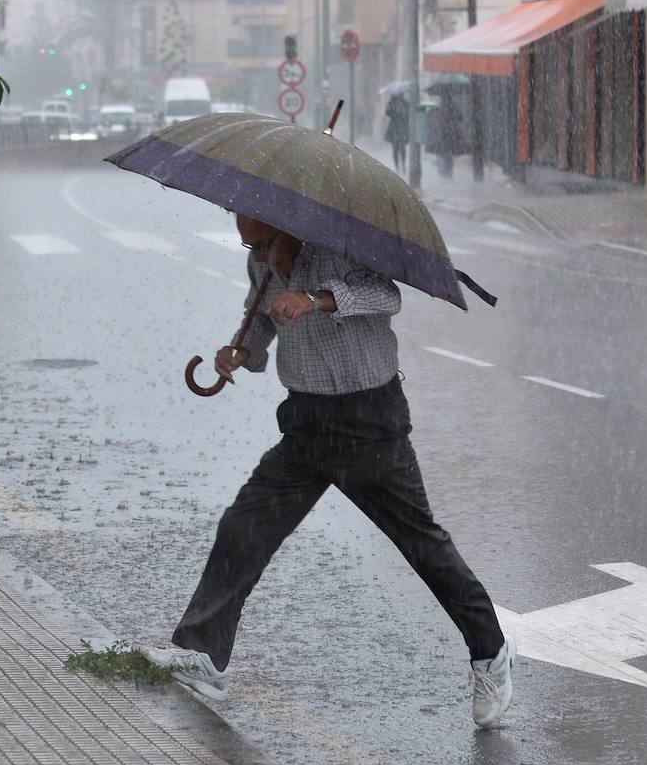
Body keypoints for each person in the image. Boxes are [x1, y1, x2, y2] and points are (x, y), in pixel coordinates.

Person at [141, 214, 515, 729]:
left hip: (369, 425)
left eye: (264, 243)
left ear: (288, 230)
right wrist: (241, 351)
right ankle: (202, 653)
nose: (256, 255)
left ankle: (491, 653)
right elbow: (265, 319)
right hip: (306, 426)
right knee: (244, 528)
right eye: (248, 245)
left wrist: (318, 298)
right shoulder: (265, 268)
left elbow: (386, 297)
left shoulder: (341, 247)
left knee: (422, 546)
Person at [384, 92, 409, 175]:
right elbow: (387, 112)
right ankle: (397, 166)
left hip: (400, 129)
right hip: (395, 129)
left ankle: (403, 165)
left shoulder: (405, 103)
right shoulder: (392, 102)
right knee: (395, 149)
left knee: (402, 149)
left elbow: (408, 115)